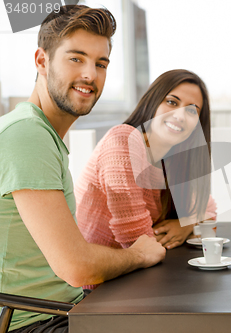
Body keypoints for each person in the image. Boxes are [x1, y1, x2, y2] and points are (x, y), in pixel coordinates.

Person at [0, 6, 165, 332]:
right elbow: (77, 267)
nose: (90, 74)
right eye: (76, 58)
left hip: (68, 310)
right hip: (34, 321)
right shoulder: (27, 134)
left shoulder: (41, 134)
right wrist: (139, 255)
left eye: (100, 63)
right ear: (42, 61)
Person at [75, 69, 217, 259]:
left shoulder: (173, 161)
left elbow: (208, 209)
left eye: (192, 110)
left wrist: (186, 225)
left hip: (141, 273)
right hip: (100, 282)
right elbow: (134, 239)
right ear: (153, 102)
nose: (180, 115)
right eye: (172, 102)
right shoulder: (123, 141)